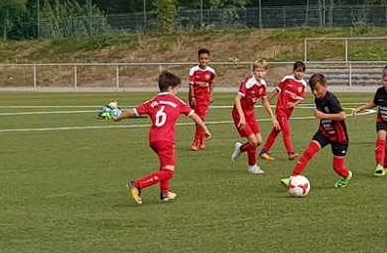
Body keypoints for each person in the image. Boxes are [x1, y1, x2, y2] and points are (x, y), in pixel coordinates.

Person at [112, 71, 211, 205]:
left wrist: (118, 118)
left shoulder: (153, 101)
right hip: (166, 140)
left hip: (153, 139)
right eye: (176, 89)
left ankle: (165, 193)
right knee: (168, 172)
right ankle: (137, 184)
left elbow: (132, 112)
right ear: (171, 88)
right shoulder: (177, 101)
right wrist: (205, 129)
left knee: (165, 165)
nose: (176, 91)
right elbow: (194, 115)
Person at [281, 73, 353, 188]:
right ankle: (292, 178)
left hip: (339, 137)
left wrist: (323, 115)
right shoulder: (318, 99)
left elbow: (342, 116)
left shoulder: (331, 99)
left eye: (317, 89)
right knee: (308, 152)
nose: (315, 92)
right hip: (324, 133)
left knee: (338, 168)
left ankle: (347, 175)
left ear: (325, 86)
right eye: (312, 90)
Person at [351, 67, 387, 176]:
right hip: (382, 120)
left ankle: (386, 165)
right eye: (385, 80)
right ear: (382, 80)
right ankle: (379, 165)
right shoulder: (380, 91)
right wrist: (361, 108)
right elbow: (374, 103)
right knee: (381, 136)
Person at [230, 59, 277, 174]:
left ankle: (240, 149)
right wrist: (241, 117)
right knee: (253, 141)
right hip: (239, 113)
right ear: (253, 71)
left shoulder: (263, 84)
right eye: (257, 71)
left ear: (266, 72)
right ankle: (252, 166)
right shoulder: (248, 83)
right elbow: (237, 99)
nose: (260, 73)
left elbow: (264, 101)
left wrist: (273, 117)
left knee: (259, 141)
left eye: (262, 71)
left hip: (250, 113)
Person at [260, 61, 307, 162]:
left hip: (288, 112)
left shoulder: (303, 84)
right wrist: (267, 101)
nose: (299, 73)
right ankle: (290, 153)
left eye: (301, 72)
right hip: (281, 109)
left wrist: (294, 104)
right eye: (297, 71)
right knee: (286, 131)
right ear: (294, 71)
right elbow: (277, 90)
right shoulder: (287, 79)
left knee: (276, 131)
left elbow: (301, 98)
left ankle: (264, 151)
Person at [187, 48, 215, 151]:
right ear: (198, 59)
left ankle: (196, 142)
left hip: (204, 98)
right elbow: (191, 85)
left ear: (209, 59)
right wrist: (193, 97)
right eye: (202, 58)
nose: (204, 60)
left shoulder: (211, 71)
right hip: (194, 97)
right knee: (197, 119)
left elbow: (211, 84)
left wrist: (211, 95)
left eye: (206, 58)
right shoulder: (193, 70)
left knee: (201, 118)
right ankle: (202, 139)